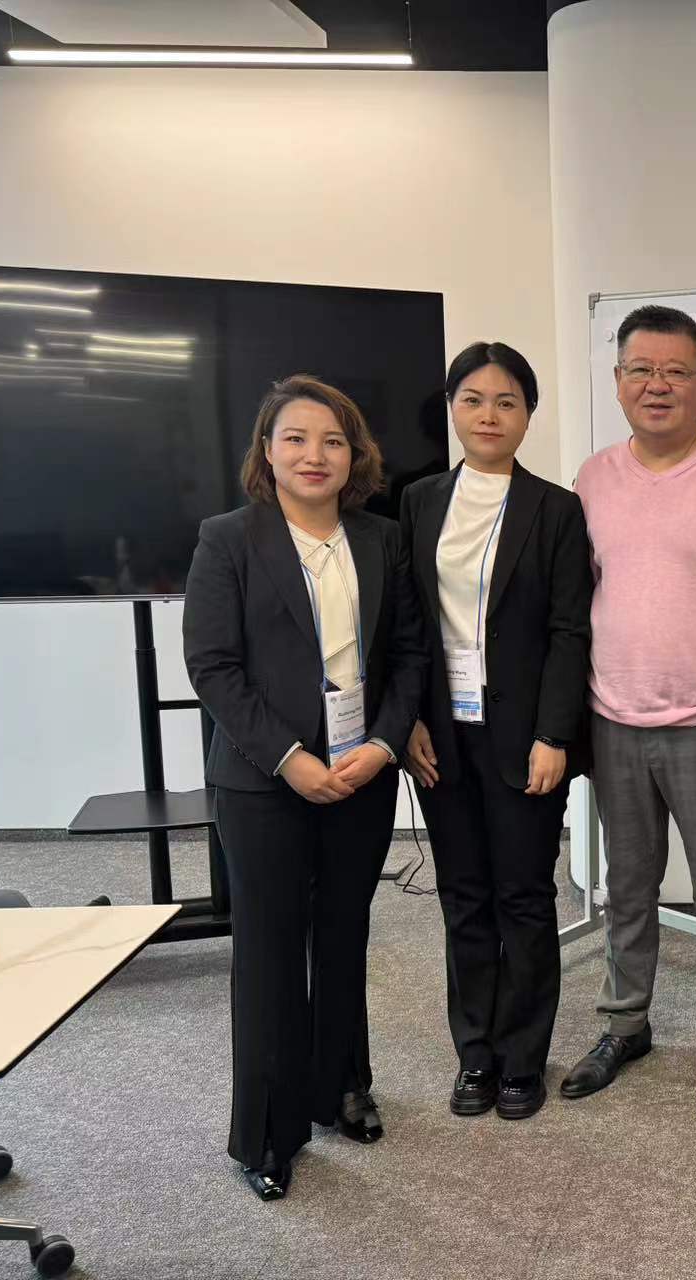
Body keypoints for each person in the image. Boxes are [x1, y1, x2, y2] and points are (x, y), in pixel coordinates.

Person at [184, 375, 425, 1201]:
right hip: (263, 781)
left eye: (332, 440)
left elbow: (409, 654)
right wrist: (288, 757)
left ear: (354, 455)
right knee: (270, 949)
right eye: (295, 438)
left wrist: (384, 744)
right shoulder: (228, 539)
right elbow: (212, 666)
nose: (314, 454)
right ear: (267, 450)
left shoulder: (381, 539)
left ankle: (341, 1087)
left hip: (361, 772)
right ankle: (267, 1131)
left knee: (344, 934)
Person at [561, 305, 696, 1123]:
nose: (657, 385)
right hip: (612, 716)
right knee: (625, 886)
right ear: (619, 380)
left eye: (675, 371)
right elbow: (576, 603)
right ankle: (626, 1024)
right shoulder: (592, 479)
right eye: (641, 370)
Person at [399, 341, 592, 1122]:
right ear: (451, 408)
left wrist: (555, 734)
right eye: (473, 399)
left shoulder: (555, 509)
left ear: (527, 415)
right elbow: (406, 624)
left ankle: (522, 1058)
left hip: (523, 736)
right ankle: (474, 1055)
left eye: (506, 401)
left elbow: (569, 630)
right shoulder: (418, 502)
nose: (488, 415)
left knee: (523, 895)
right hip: (441, 733)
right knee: (463, 895)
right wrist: (407, 719)